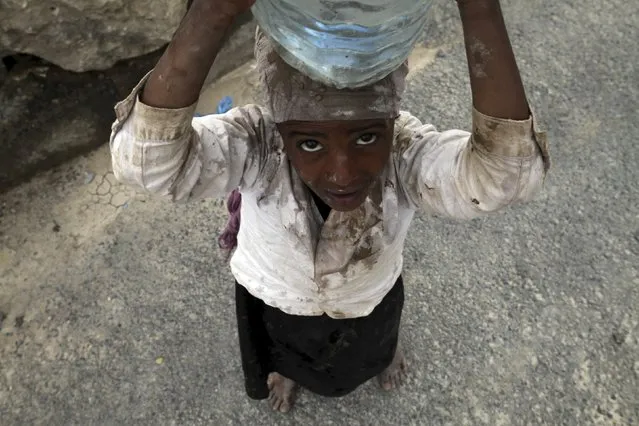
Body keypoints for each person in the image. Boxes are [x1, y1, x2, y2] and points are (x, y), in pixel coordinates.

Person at [109, 0, 550, 413]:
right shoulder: (259, 146)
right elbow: (148, 163)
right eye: (311, 142)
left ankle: (380, 359)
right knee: (281, 349)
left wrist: (480, 10)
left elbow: (503, 178)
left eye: (366, 137)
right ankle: (287, 373)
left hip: (367, 296)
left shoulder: (405, 153)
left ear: (392, 122)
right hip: (275, 294)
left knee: (372, 345)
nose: (343, 173)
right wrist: (212, 12)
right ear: (280, 130)